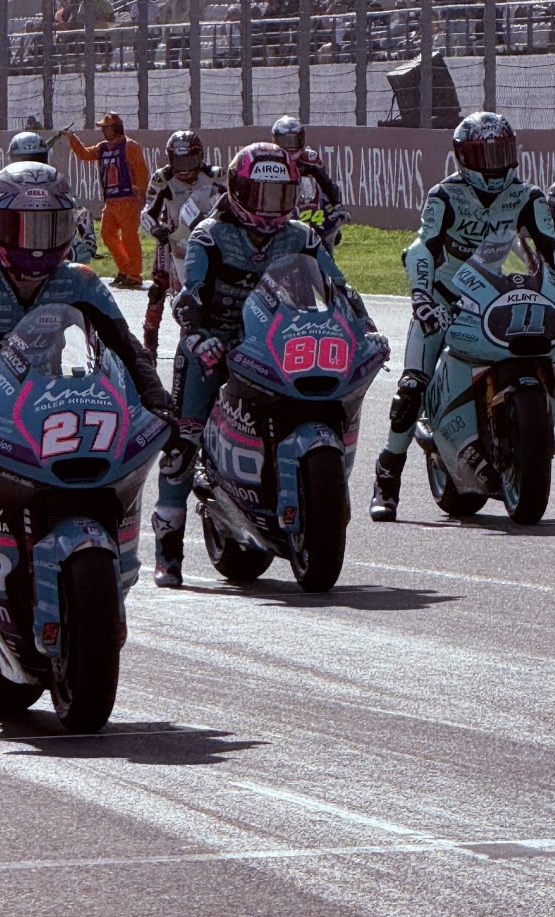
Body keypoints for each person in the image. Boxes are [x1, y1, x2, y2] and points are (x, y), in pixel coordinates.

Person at [0, 162, 171, 725]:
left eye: (49, 227)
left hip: (53, 416)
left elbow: (126, 350)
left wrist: (158, 401)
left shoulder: (81, 282)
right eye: (23, 227)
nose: (36, 243)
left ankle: (93, 598)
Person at [151, 141, 387, 587]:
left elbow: (339, 288)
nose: (269, 207)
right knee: (184, 437)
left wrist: (365, 328)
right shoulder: (209, 235)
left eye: (280, 196)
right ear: (237, 190)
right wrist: (197, 335)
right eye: (259, 194)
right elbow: (189, 296)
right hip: (217, 343)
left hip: (281, 342)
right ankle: (169, 550)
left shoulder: (301, 236)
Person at [369, 110, 555, 522]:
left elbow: (552, 243)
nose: (494, 165)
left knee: (546, 340)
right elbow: (422, 247)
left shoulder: (527, 196)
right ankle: (387, 477)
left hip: (497, 294)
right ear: (463, 157)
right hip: (445, 298)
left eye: (501, 153)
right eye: (484, 155)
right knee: (412, 386)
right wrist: (422, 296)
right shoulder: (444, 196)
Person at [140, 129, 226, 363]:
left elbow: (233, 204)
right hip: (174, 238)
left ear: (200, 157)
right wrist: (156, 230)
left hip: (208, 238)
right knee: (158, 288)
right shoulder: (162, 179)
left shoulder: (216, 176)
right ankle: (149, 346)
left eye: (189, 160)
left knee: (217, 286)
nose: (184, 167)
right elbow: (147, 212)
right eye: (179, 161)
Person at [0, 130, 97, 264]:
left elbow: (79, 211)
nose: (31, 165)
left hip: (53, 242)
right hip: (11, 242)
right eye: (23, 160)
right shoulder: (4, 183)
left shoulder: (54, 182)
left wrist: (87, 243)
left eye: (35, 159)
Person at [62, 112, 149, 288]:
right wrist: (72, 138)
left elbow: (142, 173)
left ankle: (134, 275)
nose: (102, 131)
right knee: (107, 234)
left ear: (115, 128)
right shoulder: (102, 148)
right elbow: (85, 154)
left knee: (129, 238)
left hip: (127, 200)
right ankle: (125, 268)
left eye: (105, 127)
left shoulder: (131, 147)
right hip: (111, 201)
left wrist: (139, 194)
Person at [271, 115, 348, 252]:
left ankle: (325, 233)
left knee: (330, 230)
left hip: (310, 209)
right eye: (286, 141)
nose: (291, 145)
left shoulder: (310, 158)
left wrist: (336, 206)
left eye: (294, 140)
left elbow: (326, 183)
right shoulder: (270, 160)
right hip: (280, 210)